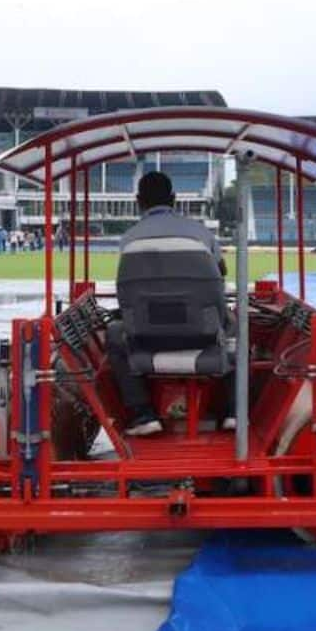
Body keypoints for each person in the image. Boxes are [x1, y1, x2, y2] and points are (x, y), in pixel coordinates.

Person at [107, 171, 226, 437]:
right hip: (203, 334)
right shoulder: (199, 234)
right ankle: (233, 412)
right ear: (174, 199)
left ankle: (142, 413)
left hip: (146, 338)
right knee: (239, 327)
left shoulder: (129, 240)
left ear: (139, 201)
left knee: (114, 333)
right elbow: (220, 275)